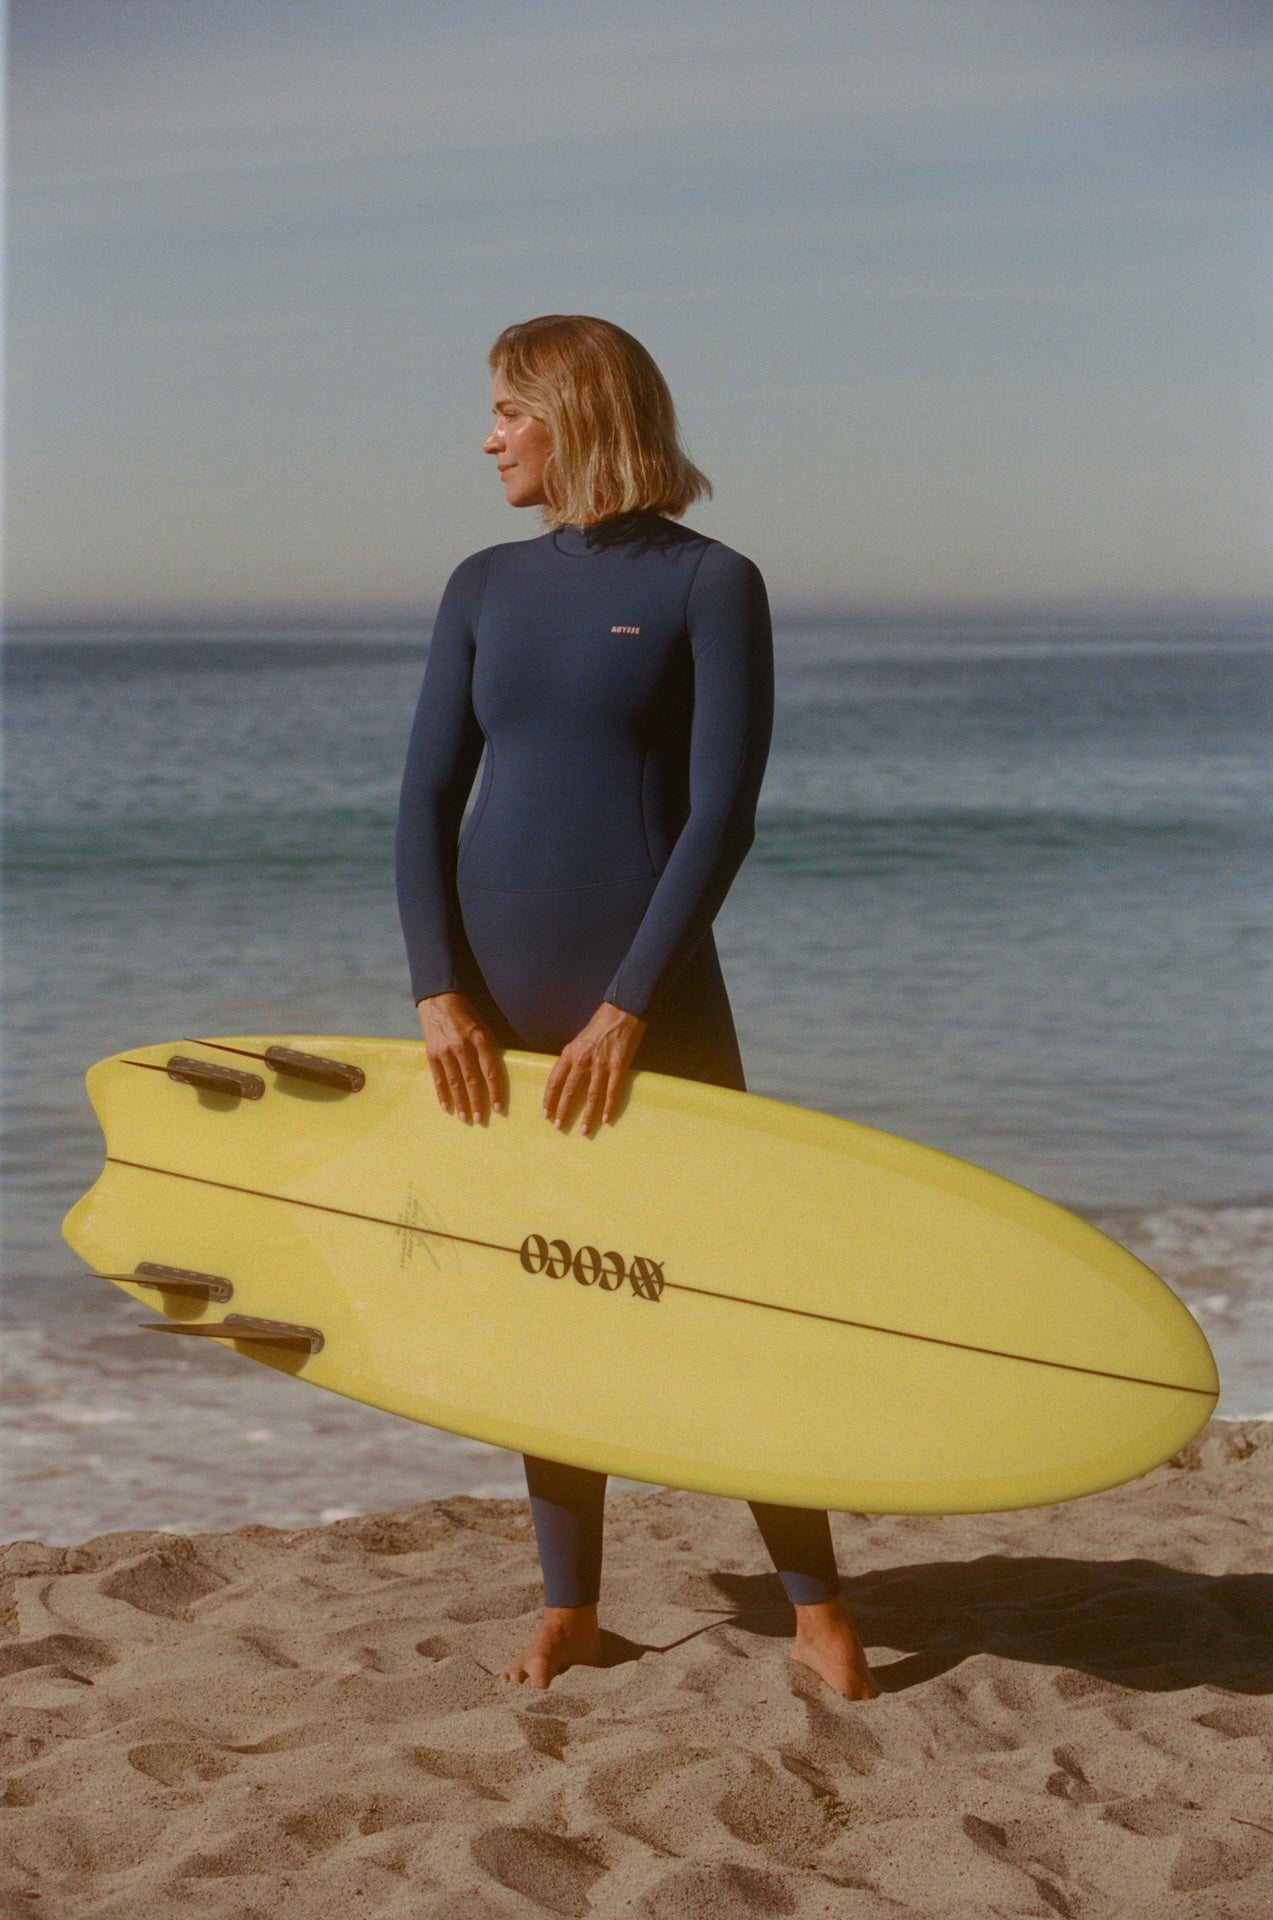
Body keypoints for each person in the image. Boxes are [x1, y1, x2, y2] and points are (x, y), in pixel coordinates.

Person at [395, 314, 878, 1700]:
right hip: (491, 1006)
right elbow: (427, 799)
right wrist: (437, 987)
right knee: (542, 1302)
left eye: (505, 411)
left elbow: (719, 818)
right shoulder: (481, 582)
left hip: (647, 1000)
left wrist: (626, 1008)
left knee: (719, 1301)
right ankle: (571, 1603)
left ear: (571, 414)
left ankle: (813, 1601)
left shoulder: (707, 585)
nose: (486, 437)